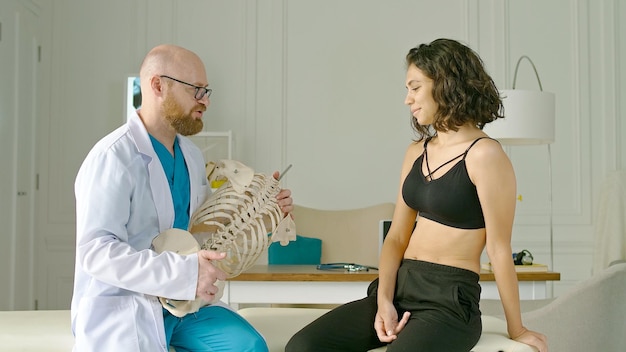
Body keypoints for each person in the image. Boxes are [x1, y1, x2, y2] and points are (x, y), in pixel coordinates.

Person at [285, 38, 548, 352]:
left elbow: (500, 249)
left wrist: (516, 329)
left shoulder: (485, 155)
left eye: (415, 87)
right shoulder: (415, 152)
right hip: (400, 286)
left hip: (449, 301)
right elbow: (396, 237)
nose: (407, 99)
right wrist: (384, 301)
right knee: (302, 347)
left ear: (445, 84)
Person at [71, 44, 293, 352]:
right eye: (197, 90)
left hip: (185, 306)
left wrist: (262, 213)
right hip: (127, 306)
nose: (206, 101)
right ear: (158, 85)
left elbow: (200, 233)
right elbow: (96, 252)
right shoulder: (113, 158)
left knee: (249, 345)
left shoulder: (190, 155)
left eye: (207, 90)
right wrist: (183, 274)